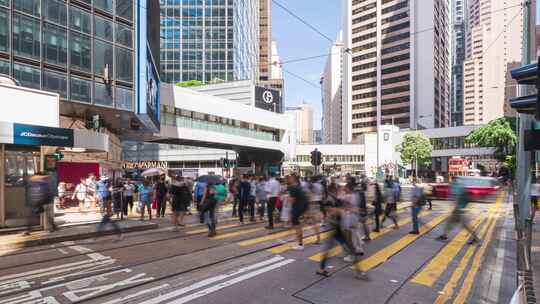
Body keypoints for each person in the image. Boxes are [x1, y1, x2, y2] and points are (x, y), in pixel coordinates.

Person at [316, 202, 368, 280]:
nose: (329, 212)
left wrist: (350, 243)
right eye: (327, 210)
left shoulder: (343, 215)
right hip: (335, 233)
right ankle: (321, 269)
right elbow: (333, 224)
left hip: (341, 235)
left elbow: (347, 231)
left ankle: (359, 272)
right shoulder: (333, 214)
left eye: (329, 209)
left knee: (351, 252)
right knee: (327, 251)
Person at [437, 178, 480, 244]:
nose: (449, 183)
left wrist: (455, 207)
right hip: (459, 210)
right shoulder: (460, 187)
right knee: (450, 222)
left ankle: (476, 238)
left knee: (465, 225)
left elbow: (457, 198)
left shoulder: (456, 187)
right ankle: (444, 235)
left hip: (459, 210)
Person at [287, 175, 309, 250]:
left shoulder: (293, 188)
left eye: (290, 178)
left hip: (297, 208)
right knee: (297, 225)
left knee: (297, 226)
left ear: (294, 179)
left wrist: (287, 199)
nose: (289, 179)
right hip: (301, 207)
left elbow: (292, 200)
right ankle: (298, 241)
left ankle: (300, 244)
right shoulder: (299, 187)